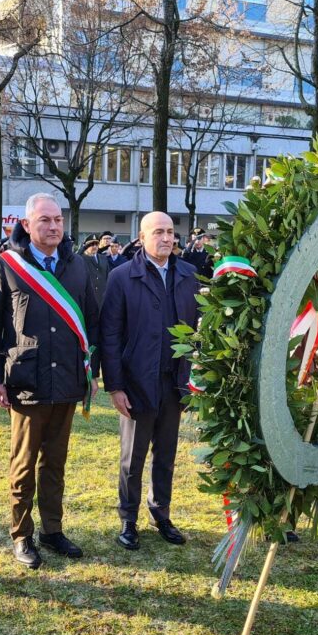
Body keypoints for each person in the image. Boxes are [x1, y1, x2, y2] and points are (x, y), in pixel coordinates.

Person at [0, 193, 99, 570]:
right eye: (44, 220)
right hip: (26, 383)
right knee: (24, 464)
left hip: (66, 382)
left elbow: (91, 324)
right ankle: (21, 534)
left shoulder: (78, 267)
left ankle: (52, 530)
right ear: (27, 225)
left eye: (58, 220)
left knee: (55, 464)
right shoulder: (5, 266)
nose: (53, 227)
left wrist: (91, 372)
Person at [100, 211, 199, 550]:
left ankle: (161, 512)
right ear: (142, 238)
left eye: (171, 232)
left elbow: (197, 330)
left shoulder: (188, 275)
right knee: (133, 457)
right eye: (159, 232)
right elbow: (110, 335)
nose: (167, 238)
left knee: (166, 454)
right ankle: (128, 519)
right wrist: (115, 386)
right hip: (136, 383)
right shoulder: (122, 277)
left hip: (175, 383)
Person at [81, 235, 110, 306]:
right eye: (91, 244)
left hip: (102, 297)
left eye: (96, 244)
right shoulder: (81, 259)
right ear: (86, 246)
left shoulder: (103, 258)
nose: (94, 247)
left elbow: (107, 276)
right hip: (88, 298)